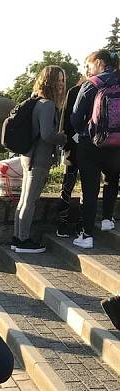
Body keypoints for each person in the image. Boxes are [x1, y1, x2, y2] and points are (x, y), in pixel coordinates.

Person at [12, 66, 67, 254]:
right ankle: (24, 241)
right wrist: (63, 137)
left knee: (24, 200)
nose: (61, 84)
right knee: (30, 200)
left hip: (28, 156)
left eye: (62, 80)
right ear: (49, 81)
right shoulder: (48, 105)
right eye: (58, 80)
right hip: (39, 159)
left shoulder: (35, 101)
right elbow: (46, 135)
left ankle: (17, 237)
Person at [71, 49, 120, 249]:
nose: (88, 69)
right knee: (112, 179)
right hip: (117, 144)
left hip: (91, 144)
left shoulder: (91, 84)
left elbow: (75, 117)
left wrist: (83, 131)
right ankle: (108, 219)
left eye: (89, 65)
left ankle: (87, 235)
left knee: (90, 190)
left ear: (99, 62)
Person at [56, 78, 85, 237]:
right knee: (67, 186)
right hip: (73, 148)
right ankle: (62, 222)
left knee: (88, 187)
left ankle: (82, 223)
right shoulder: (74, 91)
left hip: (88, 147)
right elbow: (65, 119)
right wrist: (69, 138)